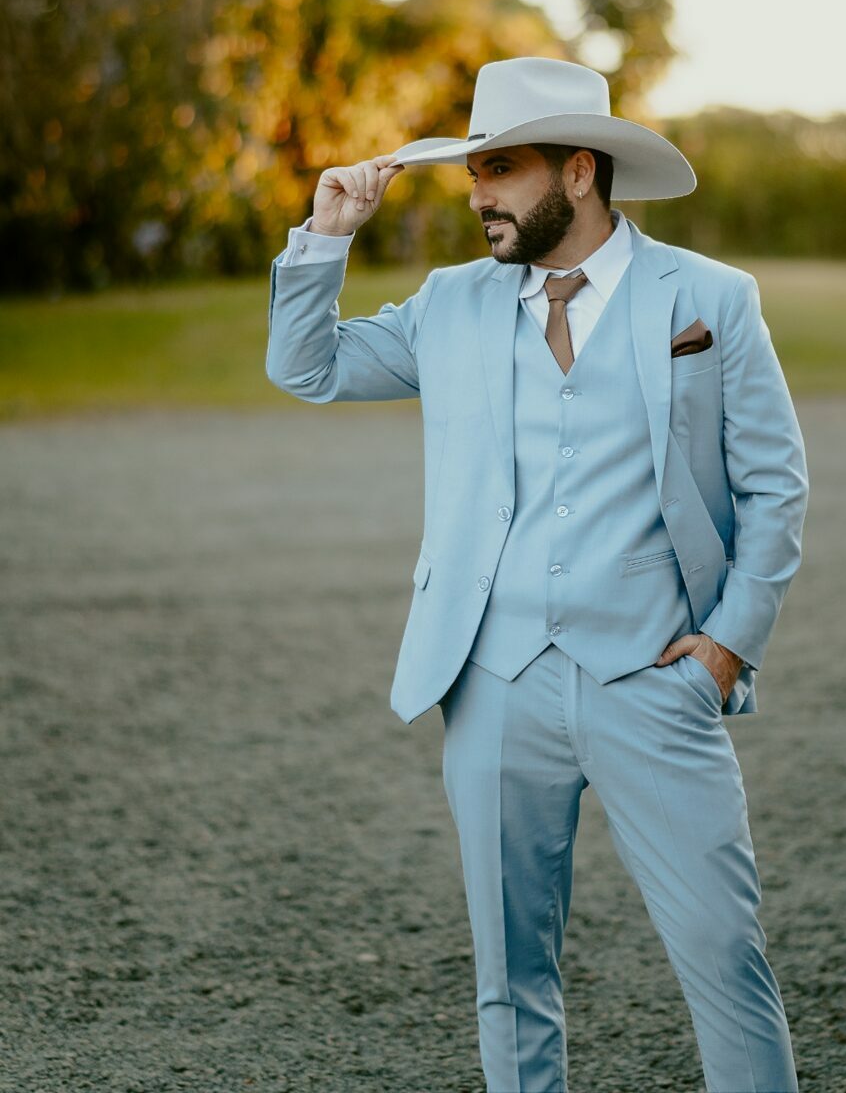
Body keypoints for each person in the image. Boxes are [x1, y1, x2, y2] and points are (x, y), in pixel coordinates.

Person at [265, 55, 809, 1093]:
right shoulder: (450, 304)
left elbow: (775, 485)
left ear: (578, 171)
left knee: (723, 956)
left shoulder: (708, 298)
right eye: (474, 171)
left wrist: (726, 648)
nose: (478, 195)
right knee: (509, 979)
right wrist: (326, 234)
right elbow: (307, 365)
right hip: (495, 682)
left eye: (501, 169)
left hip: (655, 677)